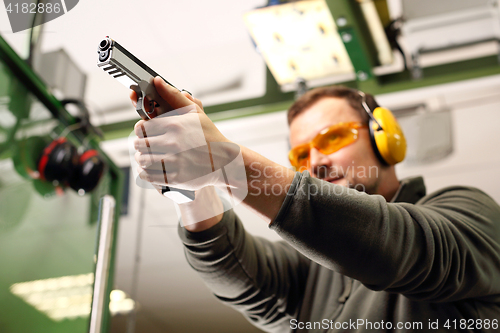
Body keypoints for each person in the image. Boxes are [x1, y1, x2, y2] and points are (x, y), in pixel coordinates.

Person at [131, 78, 500, 332]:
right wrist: (191, 188)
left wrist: (227, 164)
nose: (316, 162)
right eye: (302, 153)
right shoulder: (309, 273)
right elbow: (235, 272)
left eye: (334, 137)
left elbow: (399, 246)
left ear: (386, 138)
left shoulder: (467, 209)